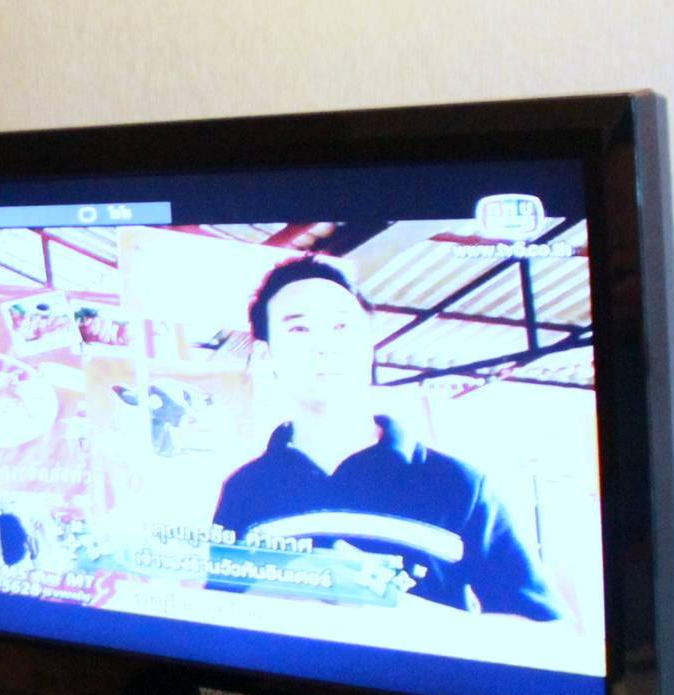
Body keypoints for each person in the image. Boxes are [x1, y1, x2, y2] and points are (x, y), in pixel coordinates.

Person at [209, 255, 563, 618]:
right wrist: (273, 592)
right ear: (266, 355)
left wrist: (400, 611)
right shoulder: (244, 490)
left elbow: (547, 632)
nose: (324, 346)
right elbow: (216, 619)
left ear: (368, 345)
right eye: (299, 329)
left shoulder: (459, 484)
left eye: (341, 326)